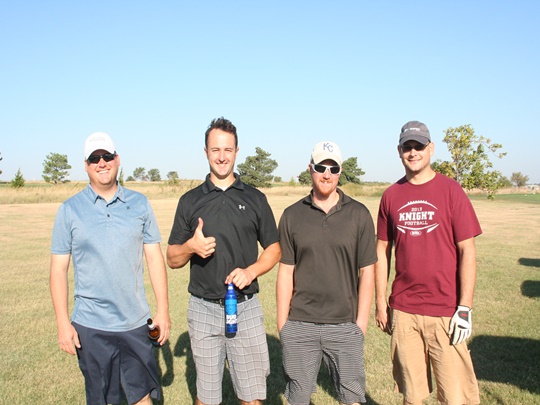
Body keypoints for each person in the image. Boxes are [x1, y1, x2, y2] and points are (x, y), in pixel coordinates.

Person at [50, 132, 171, 405]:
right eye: (94, 158)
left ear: (117, 159)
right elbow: (58, 270)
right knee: (103, 399)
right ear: (86, 165)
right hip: (91, 326)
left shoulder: (140, 203)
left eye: (107, 156)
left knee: (142, 398)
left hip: (135, 323)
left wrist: (163, 311)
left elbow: (154, 257)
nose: (101, 163)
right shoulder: (69, 210)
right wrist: (62, 323)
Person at [166, 117, 281, 405]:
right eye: (215, 150)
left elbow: (274, 249)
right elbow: (172, 258)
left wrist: (252, 271)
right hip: (203, 309)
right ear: (205, 151)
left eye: (227, 150)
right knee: (206, 398)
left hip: (245, 307)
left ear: (236, 151)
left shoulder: (255, 198)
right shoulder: (190, 201)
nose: (221, 157)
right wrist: (191, 247)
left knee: (252, 397)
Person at [375, 121, 481, 405]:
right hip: (404, 311)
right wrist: (380, 301)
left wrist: (465, 308)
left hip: (445, 310)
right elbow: (382, 250)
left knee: (454, 397)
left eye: (419, 146)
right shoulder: (391, 195)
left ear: (431, 148)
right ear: (399, 151)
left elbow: (467, 251)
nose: (413, 152)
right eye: (407, 147)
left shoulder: (451, 190)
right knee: (412, 396)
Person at [276, 141, 377, 405]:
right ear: (310, 169)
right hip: (300, 323)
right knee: (298, 399)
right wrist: (283, 325)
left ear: (340, 172)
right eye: (321, 167)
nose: (326, 174)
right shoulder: (292, 215)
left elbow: (367, 271)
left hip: (345, 325)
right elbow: (286, 271)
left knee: (352, 398)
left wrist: (361, 324)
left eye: (333, 168)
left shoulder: (359, 214)